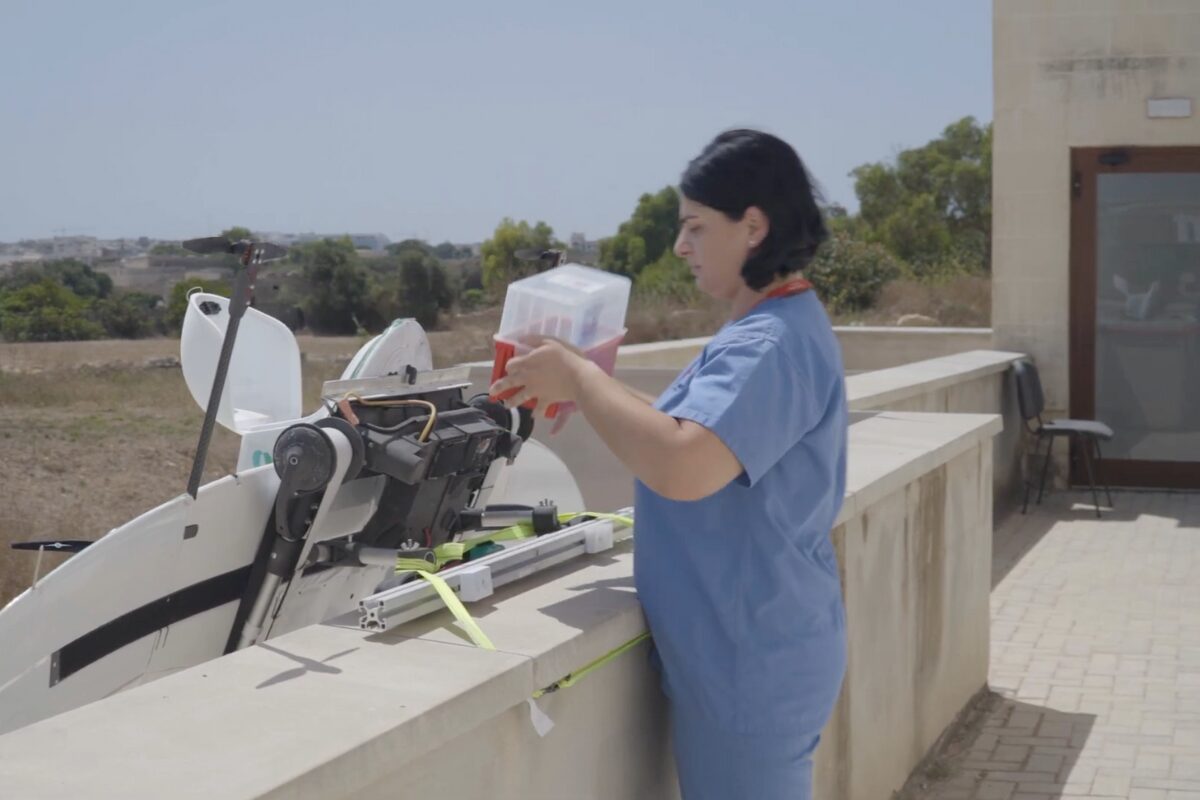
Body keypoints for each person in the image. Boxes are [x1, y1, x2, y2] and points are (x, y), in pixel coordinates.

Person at [489, 129, 848, 800]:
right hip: (755, 649)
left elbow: (684, 465)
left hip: (750, 665)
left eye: (694, 227)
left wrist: (579, 377)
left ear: (753, 227)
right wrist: (586, 388)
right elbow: (697, 433)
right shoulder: (774, 328)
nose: (681, 246)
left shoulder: (770, 343)